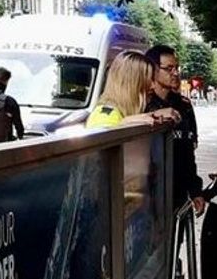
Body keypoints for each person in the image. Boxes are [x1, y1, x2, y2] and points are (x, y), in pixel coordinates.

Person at [144, 45, 205, 214]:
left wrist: (195, 191)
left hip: (176, 195)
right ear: (152, 70)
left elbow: (188, 153)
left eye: (176, 67)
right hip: (148, 196)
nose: (175, 73)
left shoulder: (184, 106)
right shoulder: (142, 106)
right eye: (168, 68)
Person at [86, 52, 179, 130]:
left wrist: (152, 115)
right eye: (148, 79)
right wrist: (123, 125)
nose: (153, 86)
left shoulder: (121, 113)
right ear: (131, 82)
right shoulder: (104, 116)